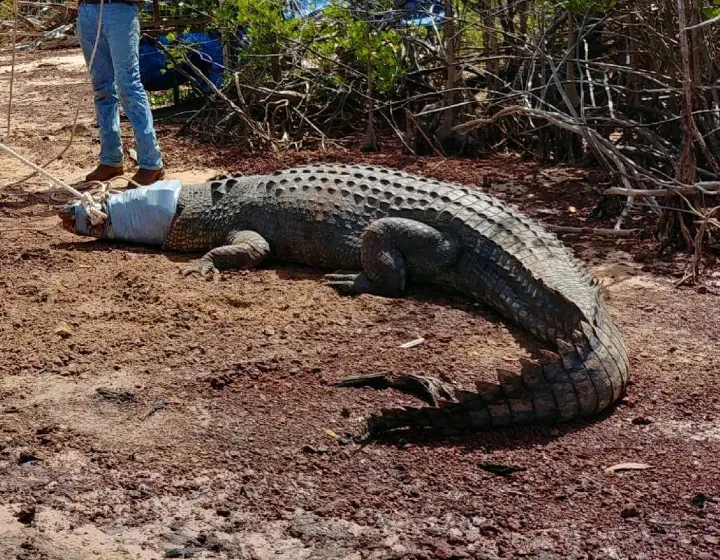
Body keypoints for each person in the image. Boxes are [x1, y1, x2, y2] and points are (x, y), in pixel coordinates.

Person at [76, 0, 165, 186]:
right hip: (87, 9)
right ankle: (110, 160)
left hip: (120, 7)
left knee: (128, 86)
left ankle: (151, 162)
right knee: (101, 88)